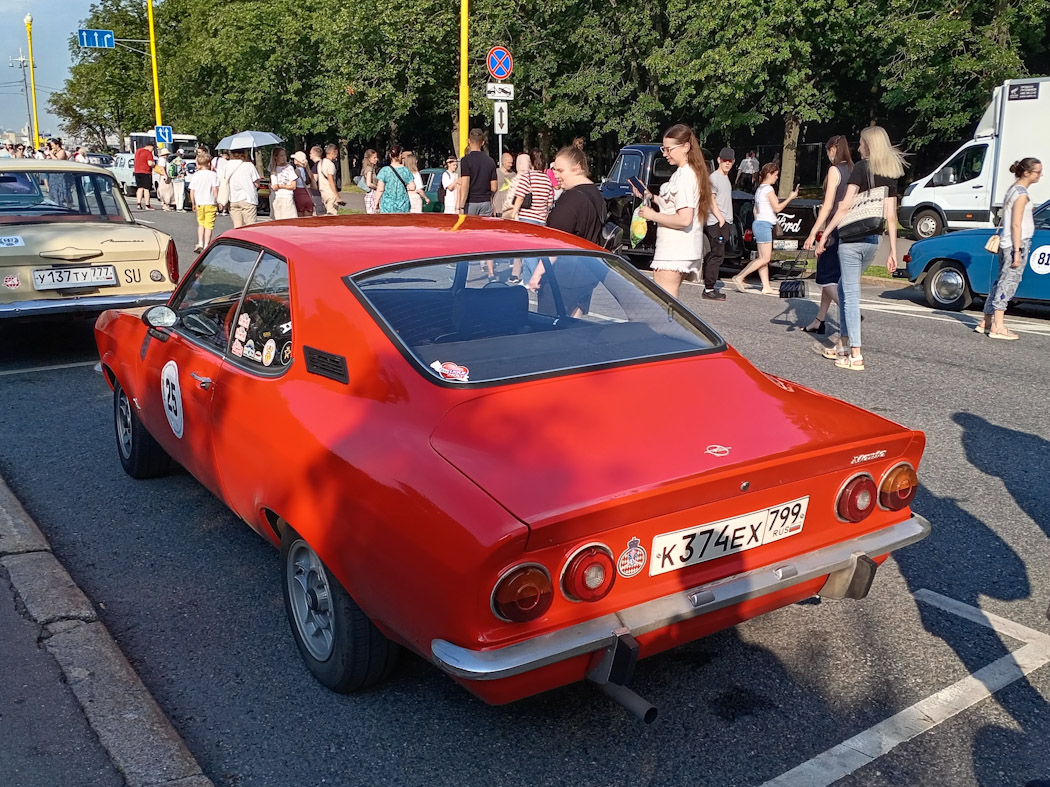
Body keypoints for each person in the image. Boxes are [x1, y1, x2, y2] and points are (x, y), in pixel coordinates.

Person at [816, 125, 905, 371]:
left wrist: (825, 234)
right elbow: (890, 216)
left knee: (851, 296)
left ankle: (855, 354)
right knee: (845, 289)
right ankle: (843, 344)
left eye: (862, 142)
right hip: (873, 241)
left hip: (852, 240)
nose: (859, 146)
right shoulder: (891, 174)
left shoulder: (862, 168)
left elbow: (844, 206)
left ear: (869, 145)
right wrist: (894, 252)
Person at [631, 123, 713, 299]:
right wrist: (650, 196)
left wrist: (652, 215)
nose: (665, 154)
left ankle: (671, 327)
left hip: (675, 248)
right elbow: (673, 205)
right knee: (663, 300)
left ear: (686, 147)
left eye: (669, 149)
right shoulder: (683, 173)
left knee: (664, 302)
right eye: (664, 149)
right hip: (676, 247)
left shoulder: (685, 176)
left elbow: (684, 218)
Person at [974, 157, 1043, 340]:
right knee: (1009, 282)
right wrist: (1018, 251)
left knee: (999, 280)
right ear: (1027, 173)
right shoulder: (1021, 194)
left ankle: (987, 321)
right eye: (1037, 171)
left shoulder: (1012, 190)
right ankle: (998, 326)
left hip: (1007, 243)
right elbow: (1016, 224)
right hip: (1015, 243)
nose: (1040, 175)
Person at [802, 135, 854, 333]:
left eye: (828, 150)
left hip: (834, 227)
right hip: (849, 228)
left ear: (833, 149)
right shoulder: (853, 169)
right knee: (834, 277)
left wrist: (814, 232)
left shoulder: (834, 170)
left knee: (824, 277)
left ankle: (850, 312)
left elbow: (827, 206)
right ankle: (819, 320)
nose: (828, 155)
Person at [731, 163, 799, 295]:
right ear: (769, 174)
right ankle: (740, 277)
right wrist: (790, 197)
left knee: (762, 257)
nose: (776, 178)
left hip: (759, 223)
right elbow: (777, 208)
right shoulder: (768, 190)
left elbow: (756, 210)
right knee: (765, 258)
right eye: (775, 175)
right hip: (764, 225)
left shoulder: (759, 189)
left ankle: (766, 286)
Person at [546, 146, 606, 244]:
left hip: (570, 257)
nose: (555, 175)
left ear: (577, 169)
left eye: (560, 171)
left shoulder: (571, 199)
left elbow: (554, 243)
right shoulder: (596, 193)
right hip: (591, 256)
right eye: (554, 170)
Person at [702, 148, 734, 301]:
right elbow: (711, 199)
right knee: (717, 255)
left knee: (717, 255)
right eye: (724, 160)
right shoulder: (714, 178)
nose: (727, 163)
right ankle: (709, 289)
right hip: (716, 222)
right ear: (718, 160)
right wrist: (721, 218)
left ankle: (709, 286)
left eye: (730, 160)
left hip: (724, 221)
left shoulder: (725, 178)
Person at [505, 151, 555, 225]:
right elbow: (549, 203)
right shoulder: (548, 180)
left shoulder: (527, 176)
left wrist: (513, 215)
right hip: (542, 220)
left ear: (531, 163)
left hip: (526, 217)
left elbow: (520, 198)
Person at [458, 129, 497, 215]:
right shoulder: (490, 161)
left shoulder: (466, 160)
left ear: (468, 141)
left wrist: (461, 206)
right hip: (486, 203)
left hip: (471, 203)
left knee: (470, 228)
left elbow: (465, 185)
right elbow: (494, 187)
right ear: (482, 142)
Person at [223, 149, 262, 228]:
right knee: (250, 226)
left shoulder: (227, 165)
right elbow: (257, 184)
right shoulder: (249, 165)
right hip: (247, 198)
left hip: (233, 198)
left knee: (237, 227)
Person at [189, 151, 218, 253]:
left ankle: (200, 242)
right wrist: (218, 200)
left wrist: (193, 203)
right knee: (209, 225)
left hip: (199, 203)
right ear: (209, 163)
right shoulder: (213, 175)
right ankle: (206, 245)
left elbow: (192, 190)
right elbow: (214, 189)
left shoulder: (196, 175)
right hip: (210, 202)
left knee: (201, 223)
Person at [374, 146, 415, 214]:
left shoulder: (384, 171)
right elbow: (412, 187)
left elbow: (380, 189)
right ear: (400, 155)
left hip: (388, 205)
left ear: (390, 155)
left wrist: (376, 203)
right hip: (403, 205)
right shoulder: (405, 170)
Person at [268, 147, 298, 220]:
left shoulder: (289, 168)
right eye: (281, 155)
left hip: (286, 196)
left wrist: (280, 186)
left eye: (284, 155)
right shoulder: (273, 169)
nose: (284, 157)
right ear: (276, 157)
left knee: (288, 219)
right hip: (275, 197)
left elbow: (293, 186)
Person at [317, 144, 343, 215]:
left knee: (326, 213)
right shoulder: (330, 165)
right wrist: (337, 196)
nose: (336, 156)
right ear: (333, 152)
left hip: (323, 192)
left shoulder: (320, 163)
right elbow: (331, 181)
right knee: (332, 214)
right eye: (336, 153)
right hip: (330, 193)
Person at [291, 151, 315, 217]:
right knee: (308, 220)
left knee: (300, 220)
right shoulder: (309, 172)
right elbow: (314, 187)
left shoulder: (296, 171)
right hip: (308, 195)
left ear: (297, 161)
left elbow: (292, 185)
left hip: (298, 195)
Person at [133, 142, 155, 210]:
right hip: (145, 172)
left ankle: (138, 204)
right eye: (153, 148)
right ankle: (147, 205)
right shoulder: (148, 153)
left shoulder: (138, 151)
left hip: (137, 171)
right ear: (150, 146)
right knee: (146, 189)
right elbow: (150, 163)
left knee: (139, 188)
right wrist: (154, 164)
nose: (152, 150)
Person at [492, 151, 515, 216]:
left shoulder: (513, 175)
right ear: (503, 161)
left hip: (509, 209)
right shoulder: (496, 173)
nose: (510, 165)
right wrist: (493, 205)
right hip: (498, 207)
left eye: (511, 163)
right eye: (509, 163)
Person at [359, 149, 379, 214]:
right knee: (372, 213)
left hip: (372, 193)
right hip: (372, 193)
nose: (376, 159)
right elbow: (369, 183)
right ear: (369, 159)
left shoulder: (370, 168)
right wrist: (377, 187)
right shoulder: (369, 169)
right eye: (374, 158)